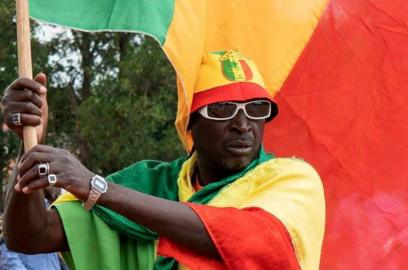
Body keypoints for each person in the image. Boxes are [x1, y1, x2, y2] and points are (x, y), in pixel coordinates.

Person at [1, 50, 325, 269]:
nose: (243, 125)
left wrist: (96, 187)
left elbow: (255, 239)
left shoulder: (292, 179)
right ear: (190, 125)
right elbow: (28, 236)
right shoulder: (151, 185)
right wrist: (31, 146)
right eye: (222, 110)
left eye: (256, 109)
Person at [0, 187, 67, 270]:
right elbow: (7, 252)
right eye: (51, 178)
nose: (56, 186)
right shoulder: (21, 210)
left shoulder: (51, 209)